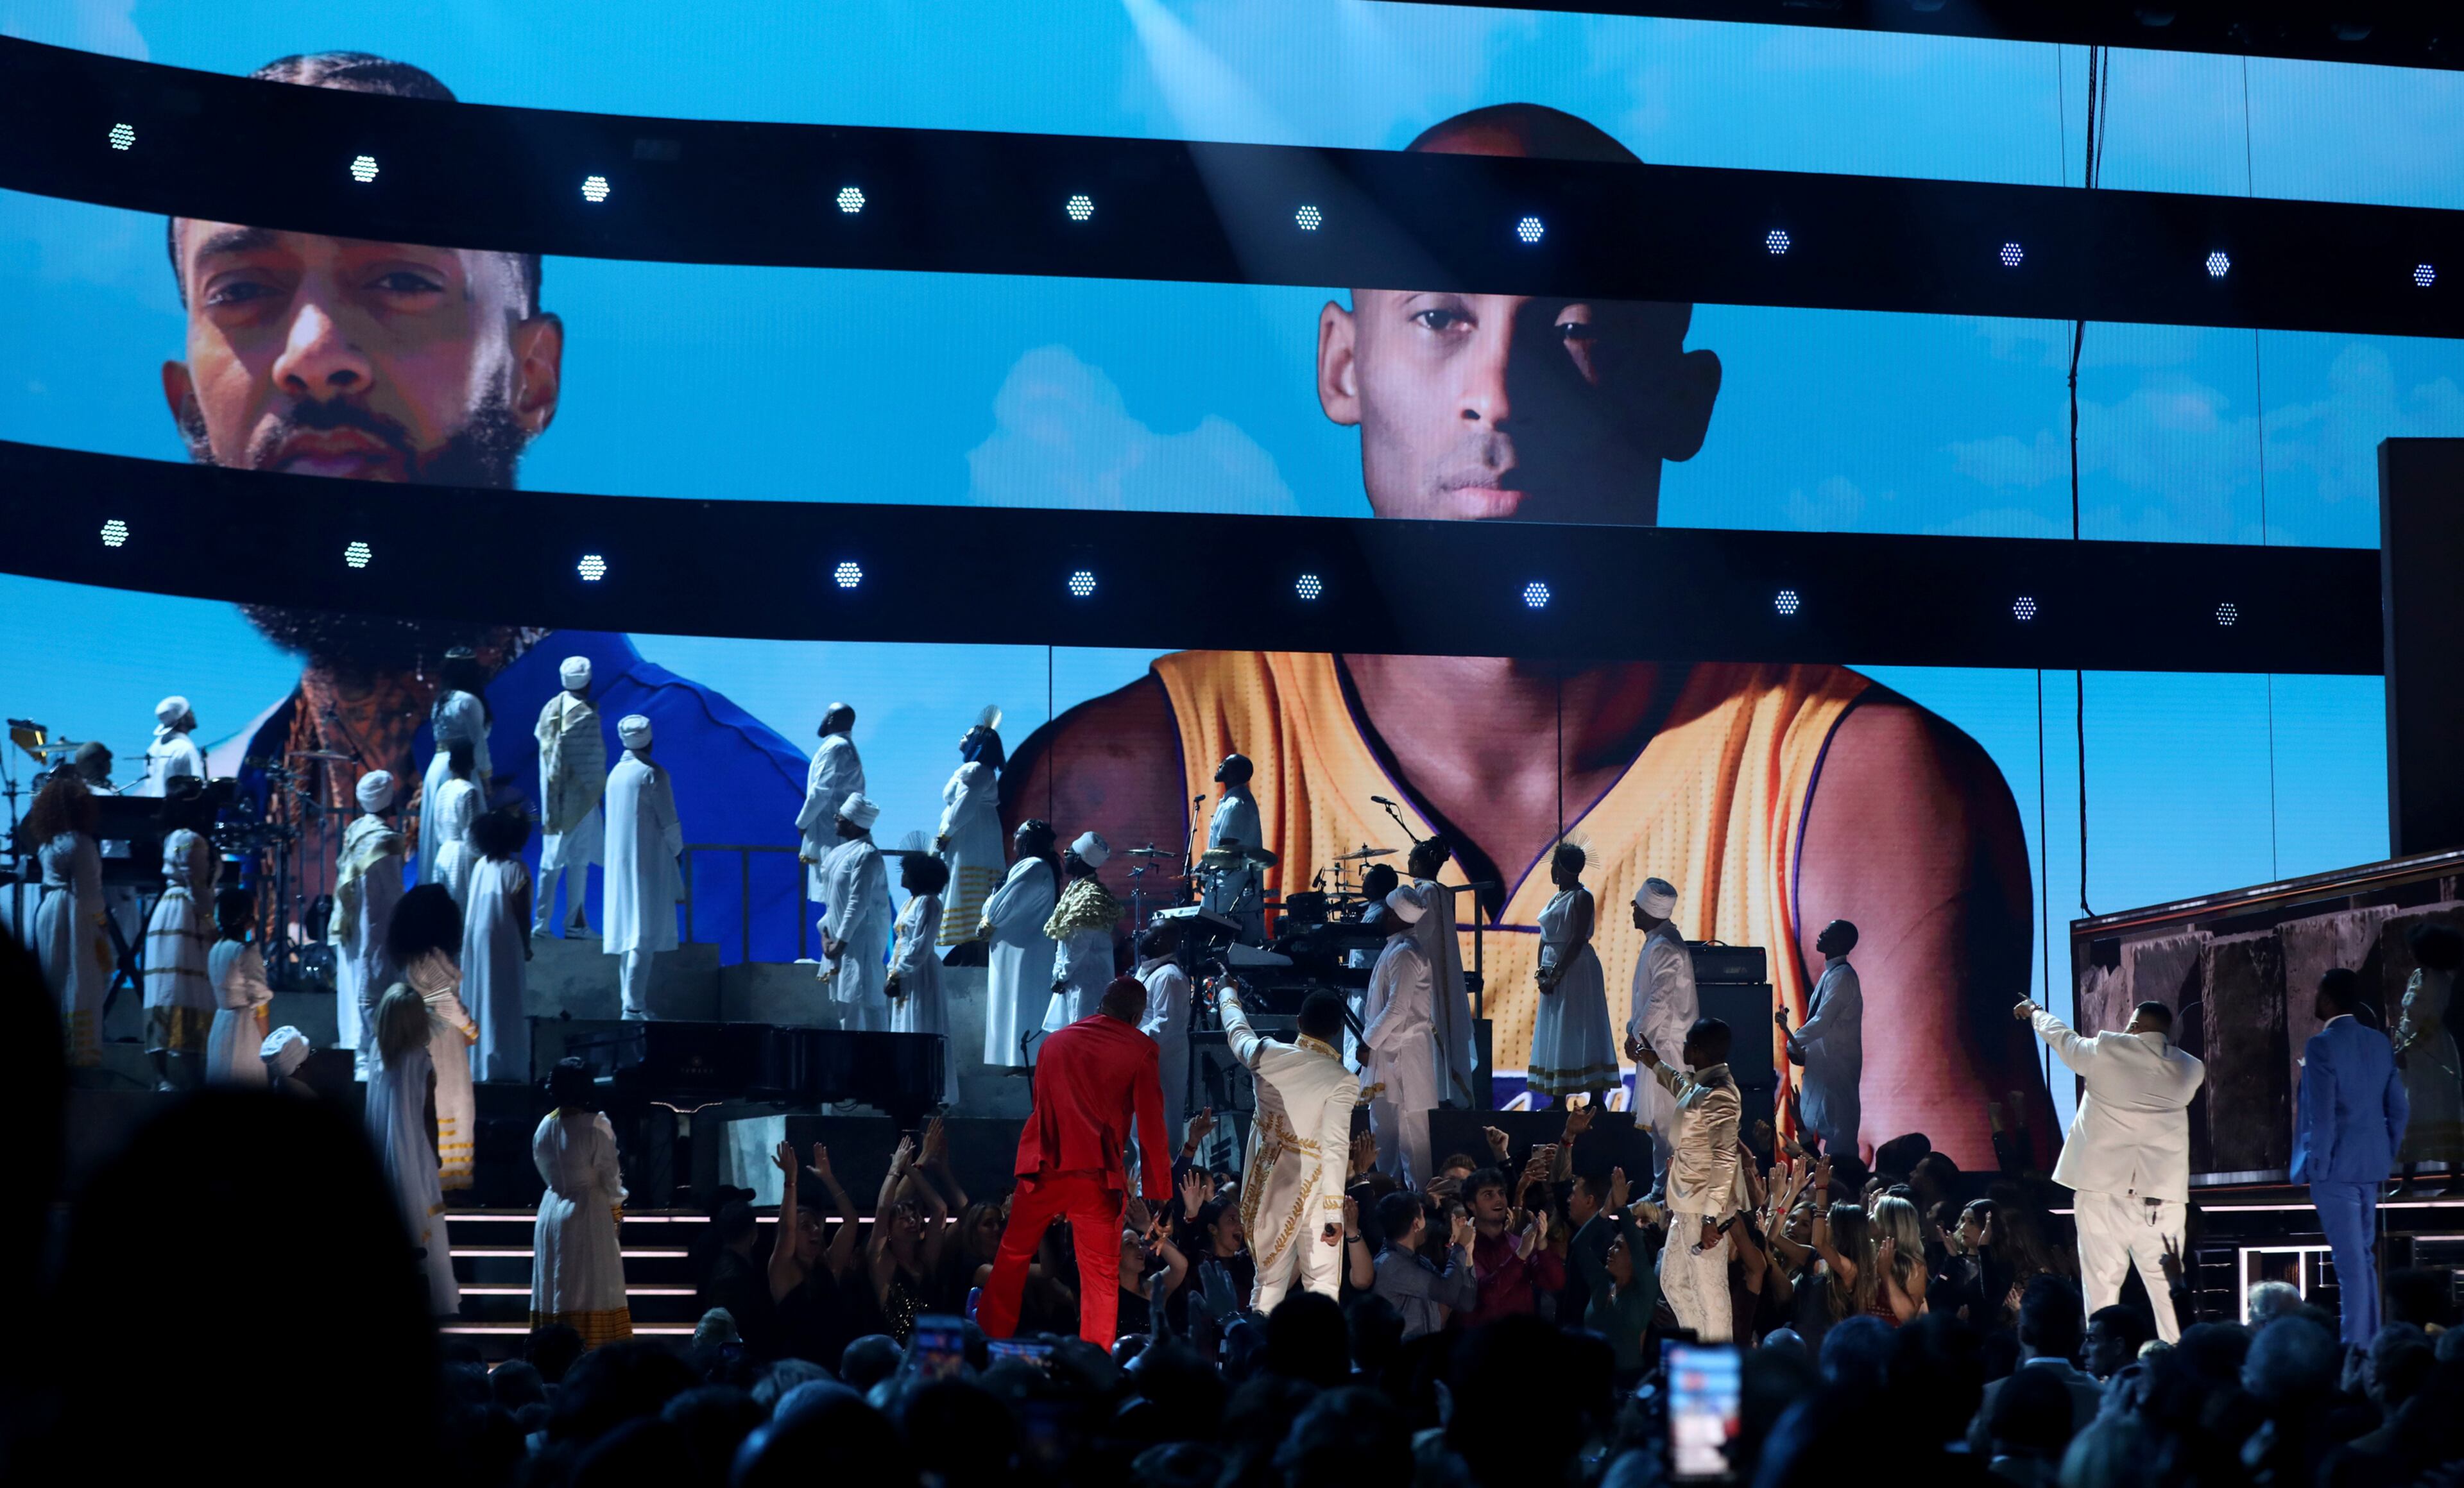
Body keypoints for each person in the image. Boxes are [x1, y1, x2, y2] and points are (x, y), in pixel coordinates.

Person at [978, 973, 1169, 1346]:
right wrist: (1158, 1192)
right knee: (1099, 1279)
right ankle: (1094, 1362)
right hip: (1098, 1179)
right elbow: (1151, 1127)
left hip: (1044, 1169)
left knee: (1012, 1257)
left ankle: (985, 1341)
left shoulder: (1054, 1042)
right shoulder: (1141, 1049)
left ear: (1100, 1006)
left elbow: (1041, 1108)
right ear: (1136, 1017)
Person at [2016, 996, 2205, 1342]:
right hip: (2161, 1200)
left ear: (2134, 1027)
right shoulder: (2191, 1069)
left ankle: (2101, 1373)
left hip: (2102, 1192)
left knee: (2101, 1291)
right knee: (2170, 1296)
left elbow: (2065, 1040)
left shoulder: (2109, 1050)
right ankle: (2182, 1370)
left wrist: (2037, 1013)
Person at [1214, 983, 1362, 1313]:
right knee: (1323, 1285)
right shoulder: (1341, 1079)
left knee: (1267, 1284)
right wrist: (1335, 1213)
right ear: (1338, 1030)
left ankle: (1252, 1359)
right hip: (1320, 1191)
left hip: (1271, 1182)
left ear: (1298, 1021)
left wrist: (1227, 994)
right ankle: (1318, 1363)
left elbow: (1237, 1030)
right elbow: (1336, 1146)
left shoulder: (1266, 1053)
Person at [2295, 966, 2409, 1346]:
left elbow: (2322, 1115)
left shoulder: (2321, 1045)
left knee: (2350, 1266)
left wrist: (2319, 1167)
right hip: (2370, 1166)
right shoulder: (2379, 1042)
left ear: (2328, 999)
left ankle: (2356, 1349)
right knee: (2362, 1260)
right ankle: (2370, 1341)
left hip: (2335, 1168)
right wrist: (2386, 1154)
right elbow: (2399, 1109)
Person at [1629, 1015, 1742, 1340]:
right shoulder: (1707, 1083)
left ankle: (1718, 1372)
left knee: (1711, 1292)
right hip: (1686, 1206)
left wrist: (1711, 1218)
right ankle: (1700, 1350)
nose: (1683, 1049)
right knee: (1673, 1281)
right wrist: (1653, 1063)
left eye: (1686, 1044)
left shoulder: (1721, 1093)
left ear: (1697, 1049)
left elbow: (1724, 1159)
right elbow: (1684, 1089)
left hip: (1704, 1208)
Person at [369, 984, 458, 1316]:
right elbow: (427, 1115)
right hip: (414, 1149)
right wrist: (435, 1156)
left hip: (384, 1150)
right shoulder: (420, 1059)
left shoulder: (378, 1056)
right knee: (421, 1214)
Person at [532, 1058, 633, 1350]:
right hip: (588, 1211)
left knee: (558, 1287)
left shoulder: (544, 1126)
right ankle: (590, 1357)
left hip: (551, 1210)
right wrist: (616, 1210)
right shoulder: (596, 1125)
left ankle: (554, 1356)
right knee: (590, 1289)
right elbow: (611, 1177)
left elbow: (543, 1168)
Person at [389, 883, 477, 1192]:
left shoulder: (424, 957)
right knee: (449, 1101)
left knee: (452, 1102)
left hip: (441, 1036)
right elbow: (447, 1005)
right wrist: (471, 1028)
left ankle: (449, 1180)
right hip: (439, 1039)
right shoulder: (425, 961)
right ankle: (444, 1181)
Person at [26, 769, 108, 1068]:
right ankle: (78, 1059)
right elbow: (89, 893)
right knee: (80, 978)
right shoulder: (81, 842)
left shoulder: (48, 842)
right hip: (73, 915)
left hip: (49, 912)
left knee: (55, 978)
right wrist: (101, 923)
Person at [603, 715, 683, 1021]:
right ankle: (634, 1006)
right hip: (648, 862)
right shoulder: (653, 774)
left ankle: (631, 1003)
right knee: (642, 933)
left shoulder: (616, 775)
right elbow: (670, 822)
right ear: (649, 739)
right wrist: (678, 852)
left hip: (622, 863)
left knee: (630, 934)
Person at [1360, 884, 1437, 1188]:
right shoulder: (1397, 947)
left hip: (1404, 1055)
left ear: (1394, 915)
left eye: (1386, 911)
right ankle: (1387, 1197)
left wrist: (1367, 1042)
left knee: (1411, 1137)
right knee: (1385, 1131)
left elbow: (1397, 1009)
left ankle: (1422, 1205)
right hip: (1388, 1053)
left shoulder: (1405, 953)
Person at [333, 769, 406, 1079]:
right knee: (372, 987)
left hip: (351, 925)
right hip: (376, 926)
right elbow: (393, 894)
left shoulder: (356, 830)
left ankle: (358, 1053)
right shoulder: (384, 840)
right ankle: (367, 1060)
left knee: (355, 988)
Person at [1530, 843, 1616, 1107]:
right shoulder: (1556, 898)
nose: (1553, 872)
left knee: (1582, 1025)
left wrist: (1557, 973)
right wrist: (1542, 972)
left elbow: (1577, 938)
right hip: (1554, 967)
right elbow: (1546, 938)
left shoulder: (1581, 897)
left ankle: (1596, 1096)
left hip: (1576, 969)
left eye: (1556, 866)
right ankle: (1558, 1095)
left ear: (1566, 868)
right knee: (1559, 1029)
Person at [141, 800, 218, 1090]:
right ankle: (190, 1075)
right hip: (185, 915)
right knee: (187, 989)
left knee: (165, 989)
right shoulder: (191, 839)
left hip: (169, 912)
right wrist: (211, 922)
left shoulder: (173, 836)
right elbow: (196, 885)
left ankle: (163, 1076)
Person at [1629, 877, 1698, 1198]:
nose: (1632, 909)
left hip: (1666, 1052)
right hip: (1656, 1047)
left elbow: (1660, 999)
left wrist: (1637, 1036)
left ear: (1649, 911)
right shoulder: (1659, 941)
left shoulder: (1665, 947)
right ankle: (1662, 1190)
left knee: (1669, 1125)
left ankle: (1667, 1195)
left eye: (1637, 906)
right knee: (1661, 1126)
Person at [533, 656, 605, 938]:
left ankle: (541, 925)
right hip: (581, 800)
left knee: (551, 863)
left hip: (553, 799)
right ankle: (574, 924)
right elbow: (591, 765)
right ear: (588, 682)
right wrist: (596, 792)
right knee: (578, 862)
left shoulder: (549, 708)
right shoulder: (585, 716)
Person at [1780, 919, 1865, 1161]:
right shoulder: (1832, 974)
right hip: (1825, 1068)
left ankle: (1842, 1184)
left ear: (1841, 942)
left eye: (1827, 932)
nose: (1821, 934)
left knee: (1840, 1137)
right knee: (1820, 1125)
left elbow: (1823, 1020)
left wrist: (1794, 1041)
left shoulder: (1843, 977)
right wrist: (1801, 1048)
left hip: (1837, 1069)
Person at [1406, 838, 1481, 1109]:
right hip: (1438, 968)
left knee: (1431, 1024)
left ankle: (1436, 1090)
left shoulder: (1426, 892)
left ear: (1416, 863)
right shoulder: (1441, 891)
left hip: (1427, 971)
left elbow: (1420, 934)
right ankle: (1442, 1088)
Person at [979, 819, 1059, 1069]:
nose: (1013, 838)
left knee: (1022, 1003)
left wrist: (989, 919)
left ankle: (1025, 1062)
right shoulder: (1028, 866)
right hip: (1013, 951)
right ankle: (1014, 1061)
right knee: (1012, 1002)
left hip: (1024, 953)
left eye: (1017, 834)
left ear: (1026, 840)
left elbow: (1003, 907)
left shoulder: (1034, 867)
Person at [463, 804, 534, 1081]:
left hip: (479, 942)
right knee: (503, 999)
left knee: (483, 996)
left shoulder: (482, 866)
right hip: (504, 942)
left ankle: (481, 1064)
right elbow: (522, 914)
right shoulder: (517, 870)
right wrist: (526, 945)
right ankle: (503, 1065)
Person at [2394, 925, 2464, 1193]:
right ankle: (2407, 1181)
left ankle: (2456, 1179)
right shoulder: (2417, 975)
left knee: (2441, 1110)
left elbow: (2431, 1022)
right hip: (2414, 1056)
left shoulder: (2439, 980)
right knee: (2412, 1114)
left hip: (2432, 1053)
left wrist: (2408, 1049)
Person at [886, 846, 957, 1108]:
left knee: (923, 1022)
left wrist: (898, 973)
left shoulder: (929, 902)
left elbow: (920, 945)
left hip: (920, 972)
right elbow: (901, 942)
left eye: (906, 871)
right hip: (905, 973)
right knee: (906, 1024)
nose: (902, 876)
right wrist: (894, 972)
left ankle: (929, 1089)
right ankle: (908, 1085)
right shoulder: (909, 903)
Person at [816, 793, 892, 1032]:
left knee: (867, 1002)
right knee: (845, 1005)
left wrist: (841, 941)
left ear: (851, 822)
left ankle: (877, 1061)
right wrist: (827, 936)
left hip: (860, 942)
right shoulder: (840, 853)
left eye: (840, 817)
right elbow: (833, 902)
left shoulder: (867, 856)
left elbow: (858, 903)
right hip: (840, 941)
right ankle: (852, 1062)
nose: (835, 819)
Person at [419, 647, 492, 880]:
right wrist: (486, 778)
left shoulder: (441, 701)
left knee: (438, 831)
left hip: (438, 767)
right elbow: (479, 744)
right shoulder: (469, 702)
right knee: (467, 830)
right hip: (461, 767)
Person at [935, 706, 1005, 945]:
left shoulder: (975, 770)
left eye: (966, 736)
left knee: (968, 886)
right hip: (978, 831)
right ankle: (970, 946)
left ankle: (971, 947)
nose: (961, 738)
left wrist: (946, 834)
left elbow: (964, 805)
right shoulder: (979, 770)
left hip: (971, 834)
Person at [1369, 1189, 1478, 1340]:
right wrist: (1458, 1247)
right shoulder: (1390, 1264)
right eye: (1423, 1216)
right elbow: (1449, 1291)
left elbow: (1465, 1303)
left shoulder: (1419, 1261)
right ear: (1416, 1224)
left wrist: (1467, 1251)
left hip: (1426, 1356)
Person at [1043, 832, 1122, 1038]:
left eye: (1069, 853)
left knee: (1086, 1035)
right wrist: (1059, 973)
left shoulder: (1091, 896)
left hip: (1087, 980)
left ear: (1078, 859)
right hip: (1074, 977)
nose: (1065, 856)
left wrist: (1062, 975)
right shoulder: (1076, 888)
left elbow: (1078, 943)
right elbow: (1065, 940)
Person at [796, 703, 864, 912]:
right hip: (835, 824)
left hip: (832, 826)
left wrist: (802, 822)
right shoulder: (843, 745)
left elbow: (822, 791)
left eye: (826, 714)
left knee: (836, 888)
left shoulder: (836, 747)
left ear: (832, 720)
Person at [1135, 923, 1194, 1161]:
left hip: (1161, 1063)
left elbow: (1164, 1023)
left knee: (1159, 1126)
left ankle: (1159, 1192)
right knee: (1141, 1129)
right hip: (1144, 1059)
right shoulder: (1153, 971)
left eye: (1149, 930)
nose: (1142, 933)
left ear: (1161, 941)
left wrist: (1129, 1040)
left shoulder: (1169, 977)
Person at [204, 887, 273, 1086]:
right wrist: (266, 1040)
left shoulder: (216, 950)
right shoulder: (245, 953)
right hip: (244, 1029)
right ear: (248, 919)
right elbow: (260, 1000)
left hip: (221, 1025)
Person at [1202, 753, 1266, 944]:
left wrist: (1205, 870)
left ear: (1235, 774)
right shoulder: (1230, 802)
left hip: (1231, 888)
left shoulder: (1236, 805)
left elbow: (1226, 849)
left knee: (1225, 938)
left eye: (1224, 764)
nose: (1219, 766)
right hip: (1224, 884)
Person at [424, 740, 483, 911]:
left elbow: (438, 827)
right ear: (472, 764)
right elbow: (472, 833)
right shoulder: (469, 791)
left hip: (444, 854)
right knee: (462, 908)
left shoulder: (443, 790)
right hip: (463, 858)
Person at [139, 695, 205, 797]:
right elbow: (196, 785)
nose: (193, 714)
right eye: (190, 711)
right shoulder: (184, 749)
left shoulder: (153, 749)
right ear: (182, 718)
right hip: (178, 811)